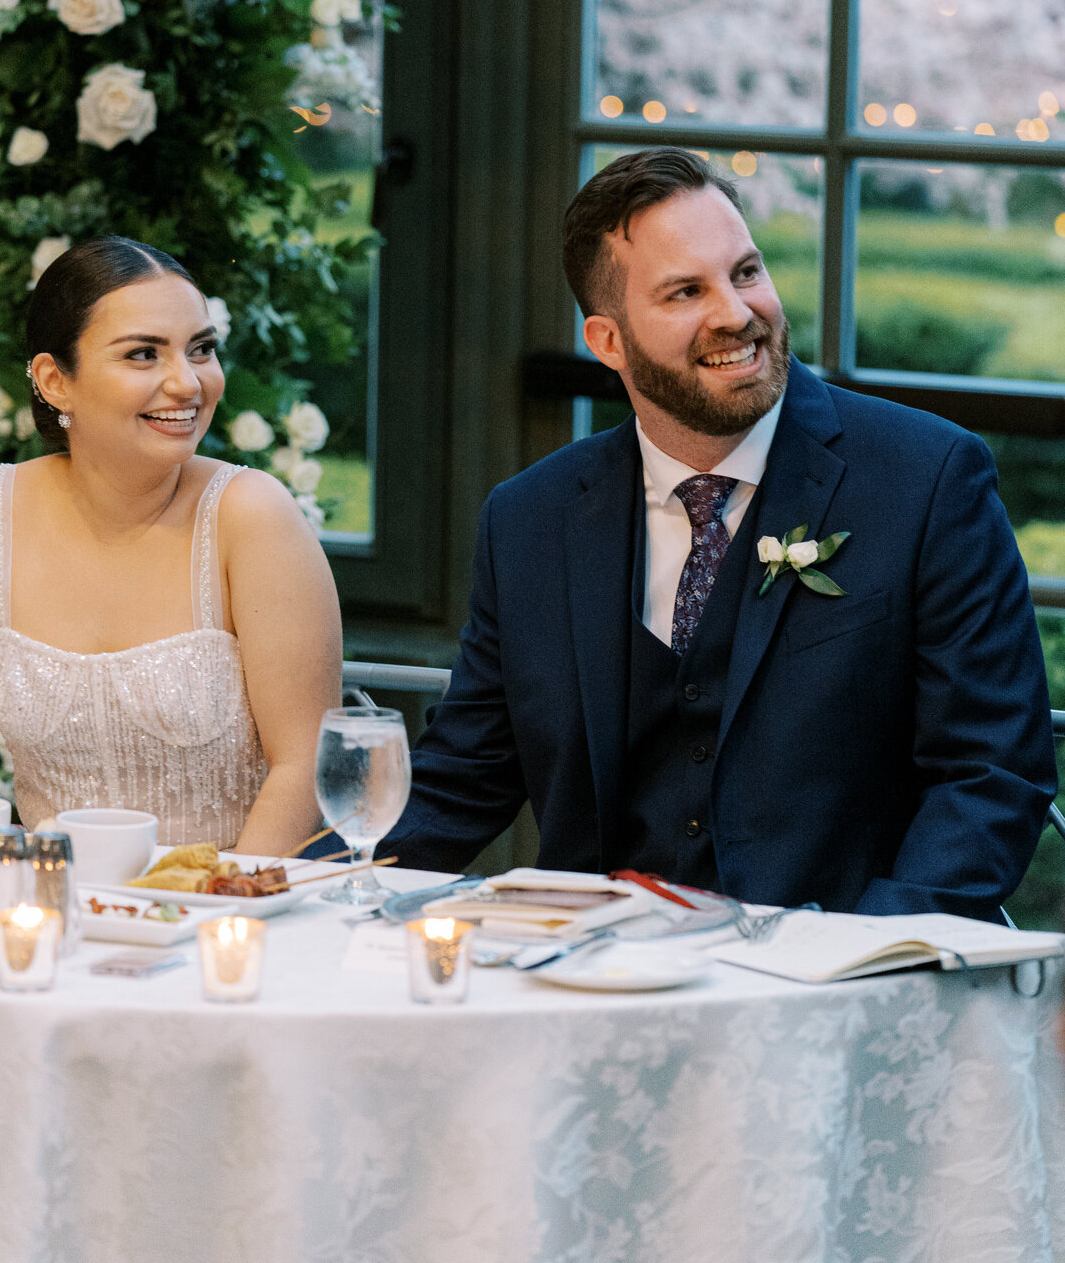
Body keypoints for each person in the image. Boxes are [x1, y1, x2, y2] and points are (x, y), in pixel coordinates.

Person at [387, 149, 1057, 918]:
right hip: (592, 982)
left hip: (843, 983)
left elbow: (990, 774)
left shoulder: (928, 479)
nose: (736, 314)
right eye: (685, 291)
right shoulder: (531, 518)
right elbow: (462, 777)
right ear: (608, 342)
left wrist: (859, 962)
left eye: (745, 272)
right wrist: (299, 893)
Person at [0, 235, 342, 854]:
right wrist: (6, 887)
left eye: (201, 349)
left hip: (232, 912)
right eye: (144, 354)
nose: (187, 383)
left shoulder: (252, 516)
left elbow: (304, 762)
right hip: (48, 909)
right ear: (54, 381)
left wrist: (223, 910)